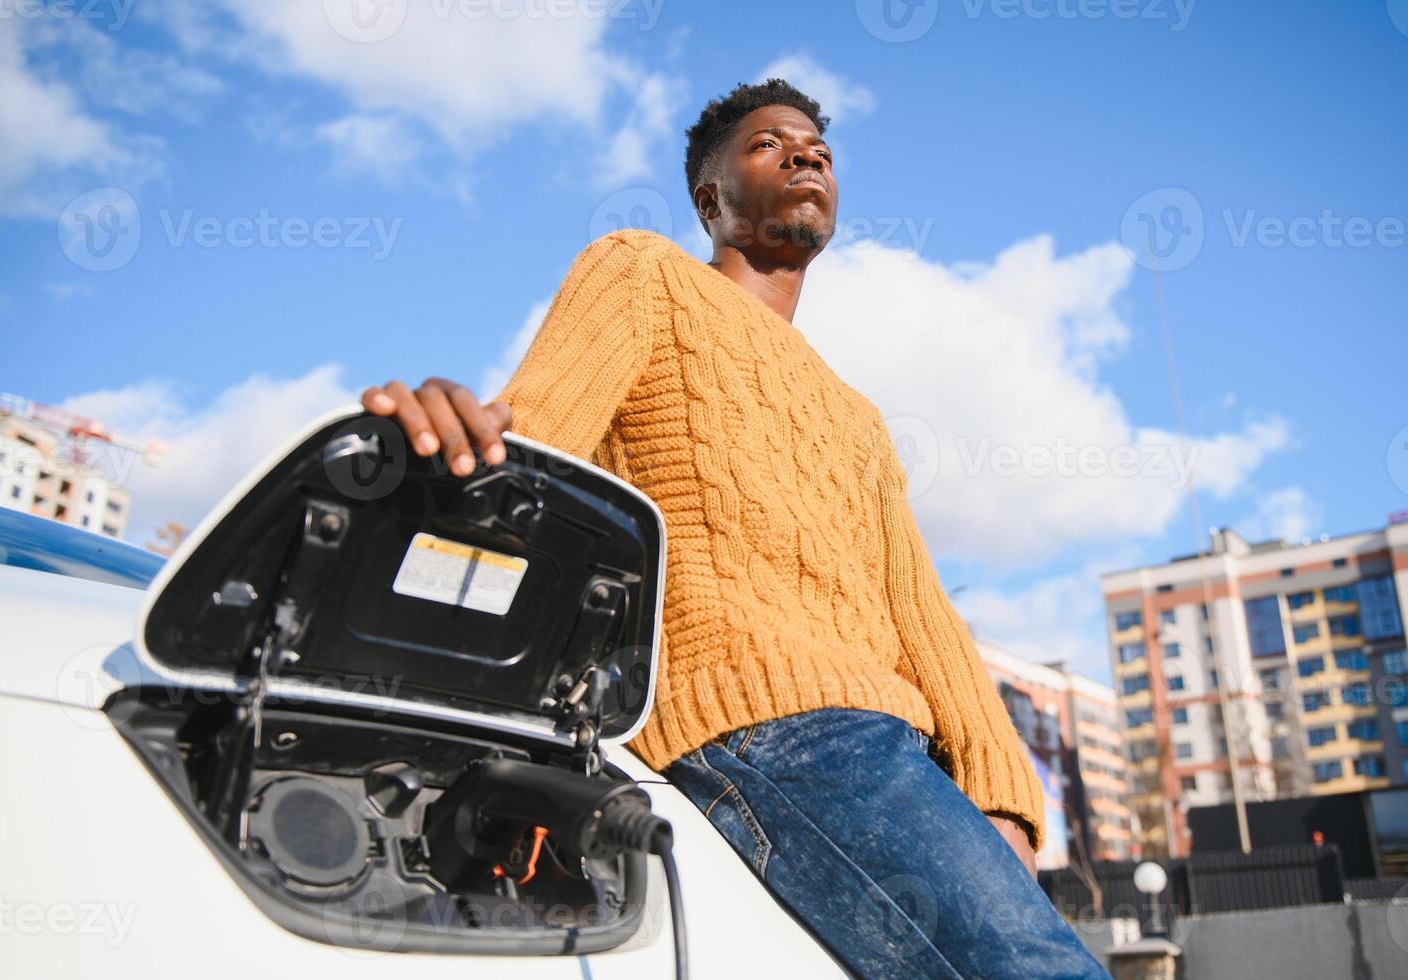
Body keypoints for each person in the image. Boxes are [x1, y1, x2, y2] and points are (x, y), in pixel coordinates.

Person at [362, 79, 1108, 979]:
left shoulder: (859, 415)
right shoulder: (645, 272)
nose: (805, 156)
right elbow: (536, 447)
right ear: (709, 200)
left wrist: (1004, 799)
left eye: (819, 150)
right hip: (765, 726)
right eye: (768, 144)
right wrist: (454, 443)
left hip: (896, 751)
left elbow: (926, 618)